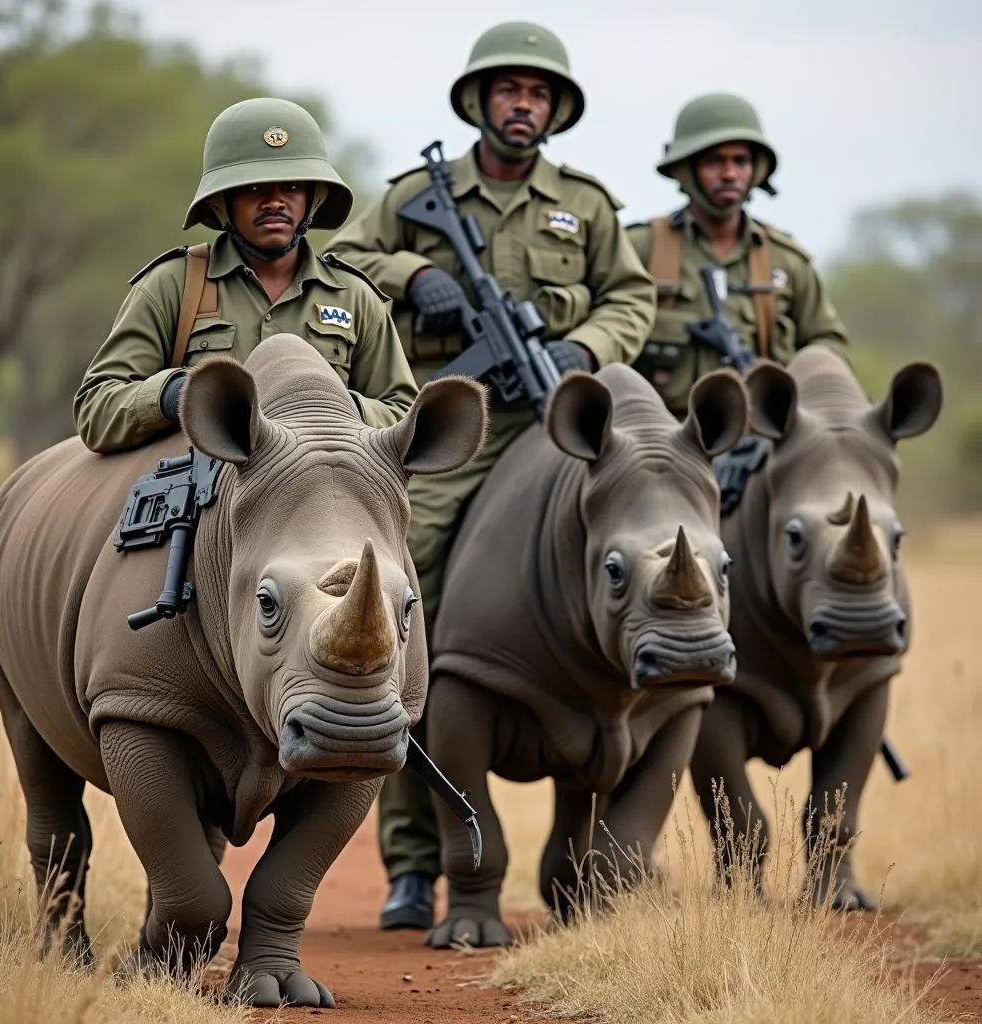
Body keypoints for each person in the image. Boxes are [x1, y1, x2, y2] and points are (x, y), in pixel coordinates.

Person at [328, 20, 656, 931]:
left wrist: (587, 343)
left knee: (638, 569)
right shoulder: (411, 197)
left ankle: (619, 808)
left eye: (539, 93)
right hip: (450, 424)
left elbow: (632, 295)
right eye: (509, 90)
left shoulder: (585, 206)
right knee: (407, 601)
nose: (524, 105)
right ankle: (413, 859)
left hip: (556, 420)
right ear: (479, 102)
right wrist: (414, 272)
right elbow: (340, 260)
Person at [74, 97, 419, 453]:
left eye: (292, 186)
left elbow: (405, 416)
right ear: (222, 201)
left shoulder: (352, 296)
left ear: (314, 198)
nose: (274, 202)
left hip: (322, 495)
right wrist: (176, 395)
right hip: (206, 500)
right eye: (253, 188)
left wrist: (332, 408)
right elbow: (96, 411)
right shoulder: (174, 285)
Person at [628, 92, 849, 419]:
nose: (730, 174)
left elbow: (828, 345)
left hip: (760, 440)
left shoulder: (785, 261)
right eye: (714, 161)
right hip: (661, 440)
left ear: (756, 169)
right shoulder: (639, 248)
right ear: (686, 169)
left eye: (741, 161)